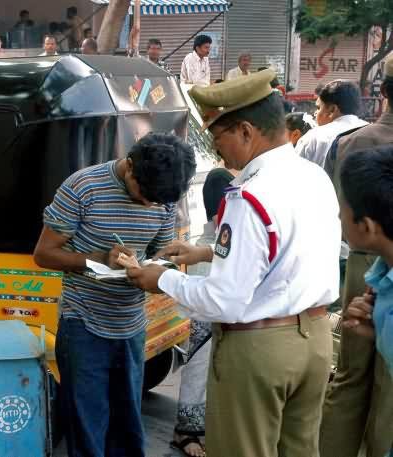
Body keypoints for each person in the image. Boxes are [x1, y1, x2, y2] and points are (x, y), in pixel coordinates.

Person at [127, 70, 341, 457]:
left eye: (217, 137)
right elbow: (288, 254)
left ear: (245, 131)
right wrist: (208, 253)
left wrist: (161, 280)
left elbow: (224, 300)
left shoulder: (249, 196)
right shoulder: (314, 176)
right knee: (300, 449)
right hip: (315, 340)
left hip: (261, 347)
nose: (216, 150)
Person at [33, 132, 196, 457]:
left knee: (127, 423)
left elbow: (159, 254)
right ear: (130, 166)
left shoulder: (162, 195)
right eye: (143, 196)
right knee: (87, 422)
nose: (150, 205)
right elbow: (44, 254)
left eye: (157, 201)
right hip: (83, 324)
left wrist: (155, 270)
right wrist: (94, 259)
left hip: (132, 325)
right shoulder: (83, 188)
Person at [318, 56, 393, 457]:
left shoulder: (351, 142)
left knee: (349, 375)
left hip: (363, 262)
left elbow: (337, 207)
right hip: (381, 261)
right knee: (387, 388)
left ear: (383, 92)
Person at [170, 166, 236, 457]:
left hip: (222, 261)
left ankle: (208, 427)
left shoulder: (247, 177)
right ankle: (186, 430)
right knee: (200, 357)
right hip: (211, 259)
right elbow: (223, 223)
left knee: (220, 362)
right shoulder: (220, 179)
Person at [340, 146, 393, 377]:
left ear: (366, 226)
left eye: (342, 210)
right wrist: (379, 330)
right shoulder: (382, 277)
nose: (338, 217)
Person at [295, 80, 367, 167]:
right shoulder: (371, 132)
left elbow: (296, 174)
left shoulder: (314, 138)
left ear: (332, 110)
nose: (315, 113)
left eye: (318, 108)